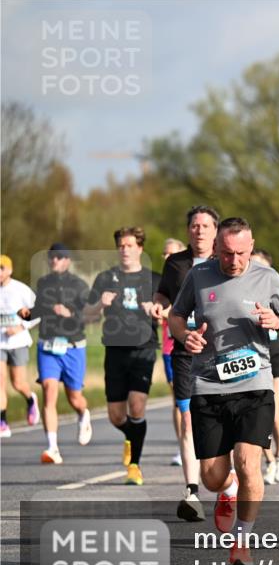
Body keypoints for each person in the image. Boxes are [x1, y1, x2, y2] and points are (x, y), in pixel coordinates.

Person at [169, 217, 279, 565]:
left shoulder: (267, 277)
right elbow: (176, 316)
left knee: (247, 463)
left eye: (242, 253)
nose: (235, 261)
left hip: (254, 384)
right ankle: (226, 492)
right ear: (216, 248)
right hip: (208, 385)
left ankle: (242, 541)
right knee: (212, 478)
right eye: (227, 253)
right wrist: (186, 336)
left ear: (252, 246)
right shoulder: (199, 276)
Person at [152, 205, 220, 521]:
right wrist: (158, 305)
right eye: (194, 225)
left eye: (205, 225)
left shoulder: (225, 261)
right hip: (184, 350)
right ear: (188, 230)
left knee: (221, 418)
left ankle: (226, 484)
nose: (200, 230)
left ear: (216, 230)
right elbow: (164, 296)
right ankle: (192, 491)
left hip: (221, 351)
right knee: (188, 418)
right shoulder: (176, 263)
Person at [83, 227, 160, 485]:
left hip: (144, 349)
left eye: (130, 245)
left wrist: (155, 310)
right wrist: (100, 304)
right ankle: (131, 436)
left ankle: (135, 466)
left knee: (137, 405)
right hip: (115, 351)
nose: (125, 249)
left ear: (140, 248)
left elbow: (171, 315)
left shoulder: (154, 280)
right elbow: (87, 317)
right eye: (121, 246)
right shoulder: (105, 278)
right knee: (116, 416)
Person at [27, 243, 92, 463]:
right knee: (48, 389)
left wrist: (71, 313)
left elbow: (92, 316)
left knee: (74, 397)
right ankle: (52, 447)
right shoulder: (43, 283)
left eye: (59, 257)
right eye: (51, 257)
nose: (54, 261)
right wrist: (26, 314)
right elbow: (38, 309)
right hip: (47, 346)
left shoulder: (80, 285)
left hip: (73, 347)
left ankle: (83, 414)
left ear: (67, 261)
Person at [252, 249, 279, 484]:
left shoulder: (275, 288)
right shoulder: (241, 292)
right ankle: (270, 460)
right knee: (259, 411)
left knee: (273, 409)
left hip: (278, 356)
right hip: (256, 357)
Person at [0, 254, 41, 438]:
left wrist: (21, 326)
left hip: (18, 342)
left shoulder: (20, 289)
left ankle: (30, 398)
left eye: (2, 268)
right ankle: (2, 421)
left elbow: (39, 312)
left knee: (17, 383)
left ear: (10, 270)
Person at [161, 239, 185, 465]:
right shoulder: (164, 281)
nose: (167, 257)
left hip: (196, 346)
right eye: (164, 253)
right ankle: (183, 446)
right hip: (170, 349)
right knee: (178, 401)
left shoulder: (192, 275)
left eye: (171, 253)